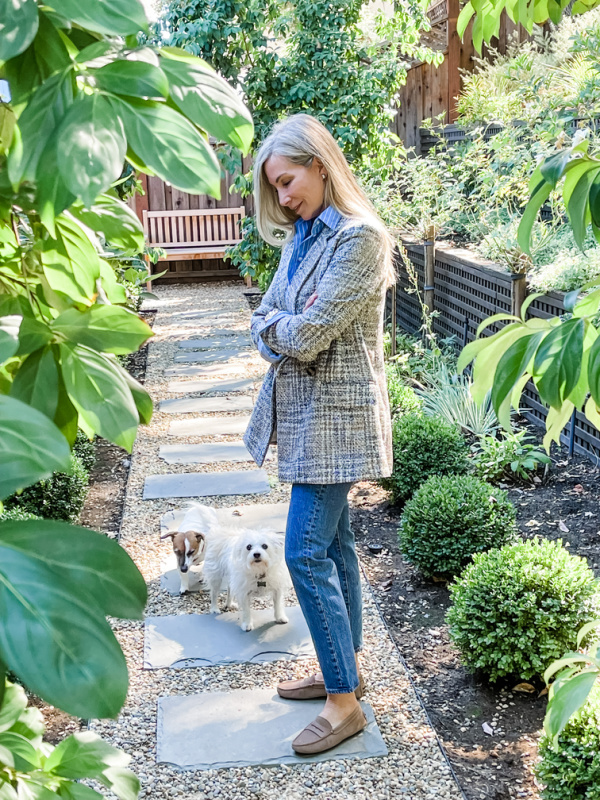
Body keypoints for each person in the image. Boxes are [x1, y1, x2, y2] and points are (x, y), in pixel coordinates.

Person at [243, 113, 394, 755]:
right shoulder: (302, 238)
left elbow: (304, 336)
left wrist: (280, 324)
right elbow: (265, 315)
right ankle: (347, 671)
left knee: (304, 552)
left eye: (288, 181)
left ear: (320, 166)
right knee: (336, 550)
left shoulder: (361, 239)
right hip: (309, 417)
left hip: (338, 420)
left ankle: (343, 704)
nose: (283, 198)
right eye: (274, 188)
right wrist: (279, 321)